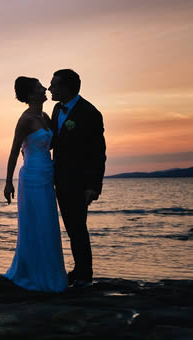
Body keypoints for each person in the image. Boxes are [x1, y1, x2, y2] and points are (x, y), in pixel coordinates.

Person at [3, 76, 68, 293]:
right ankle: (31, 274)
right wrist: (8, 182)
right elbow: (14, 151)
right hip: (31, 177)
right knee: (34, 224)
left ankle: (50, 273)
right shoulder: (25, 120)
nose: (44, 89)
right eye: (40, 87)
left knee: (48, 223)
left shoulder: (46, 116)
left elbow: (50, 145)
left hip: (47, 174)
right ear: (31, 95)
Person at [48, 69, 106, 288]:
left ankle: (84, 275)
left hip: (80, 182)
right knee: (72, 228)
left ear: (66, 88)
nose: (50, 88)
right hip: (60, 179)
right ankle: (78, 269)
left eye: (53, 84)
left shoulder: (90, 113)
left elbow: (98, 152)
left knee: (78, 228)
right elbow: (56, 140)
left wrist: (93, 185)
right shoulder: (56, 109)